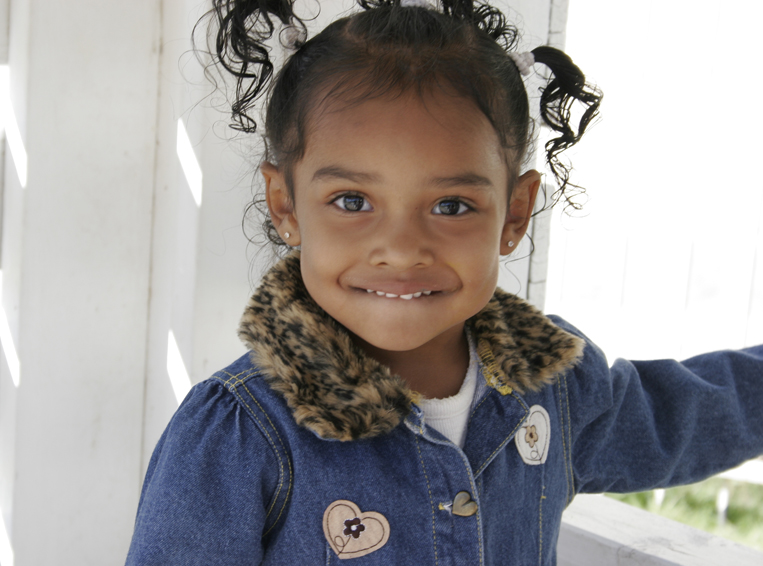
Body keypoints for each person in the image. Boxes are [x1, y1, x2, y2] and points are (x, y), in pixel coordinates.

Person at [125, 1, 763, 564]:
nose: (401, 250)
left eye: (451, 206)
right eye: (352, 200)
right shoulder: (239, 433)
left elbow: (690, 417)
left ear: (513, 214)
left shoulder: (555, 390)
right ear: (286, 206)